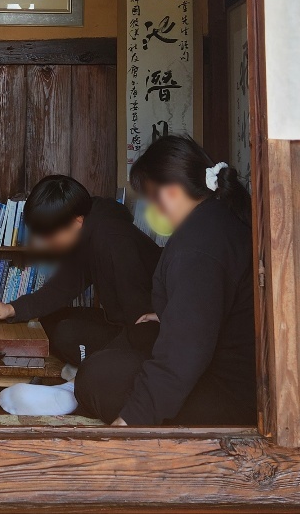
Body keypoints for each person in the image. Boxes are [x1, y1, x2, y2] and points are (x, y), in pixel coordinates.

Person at [73, 135, 257, 426]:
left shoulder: (197, 246)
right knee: (140, 336)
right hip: (225, 371)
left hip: (229, 397)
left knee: (98, 376)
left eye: (150, 198)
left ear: (170, 192)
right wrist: (169, 314)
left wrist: (133, 418)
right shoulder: (217, 217)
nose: (150, 209)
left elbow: (184, 353)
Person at [0, 175, 161, 367]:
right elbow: (59, 290)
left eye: (49, 235)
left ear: (76, 221)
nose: (46, 242)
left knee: (66, 334)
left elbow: (142, 319)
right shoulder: (88, 232)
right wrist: (10, 309)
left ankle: (89, 368)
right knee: (49, 320)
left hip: (149, 333)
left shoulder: (114, 240)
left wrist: (97, 370)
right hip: (122, 323)